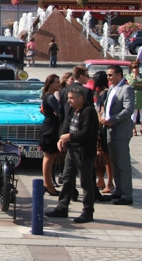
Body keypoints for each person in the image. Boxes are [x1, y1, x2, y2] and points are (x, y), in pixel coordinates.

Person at [45, 85, 100, 224]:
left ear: (81, 98)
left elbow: (86, 133)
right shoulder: (74, 111)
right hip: (72, 151)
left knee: (85, 182)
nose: (69, 101)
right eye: (68, 98)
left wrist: (69, 137)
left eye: (71, 98)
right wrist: (62, 139)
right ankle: (62, 207)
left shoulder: (89, 112)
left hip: (84, 152)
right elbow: (67, 126)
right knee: (67, 179)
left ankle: (88, 212)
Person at [100, 65, 134, 205]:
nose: (108, 77)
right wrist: (103, 116)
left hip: (120, 131)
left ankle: (127, 194)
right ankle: (118, 190)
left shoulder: (126, 89)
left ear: (119, 75)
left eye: (111, 75)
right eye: (107, 75)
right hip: (109, 130)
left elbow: (129, 109)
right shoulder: (111, 89)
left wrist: (112, 120)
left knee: (123, 164)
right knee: (114, 162)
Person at [40, 75, 62, 196]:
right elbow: (60, 110)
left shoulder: (47, 96)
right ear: (51, 84)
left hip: (50, 126)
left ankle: (48, 183)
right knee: (49, 156)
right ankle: (48, 184)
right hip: (50, 129)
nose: (59, 85)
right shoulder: (50, 97)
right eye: (57, 83)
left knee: (50, 156)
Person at [126, 62, 142, 136]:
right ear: (131, 69)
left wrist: (139, 84)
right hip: (134, 95)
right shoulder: (129, 76)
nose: (136, 69)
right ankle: (133, 129)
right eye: (134, 67)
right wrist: (135, 77)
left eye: (137, 67)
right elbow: (132, 83)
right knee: (134, 113)